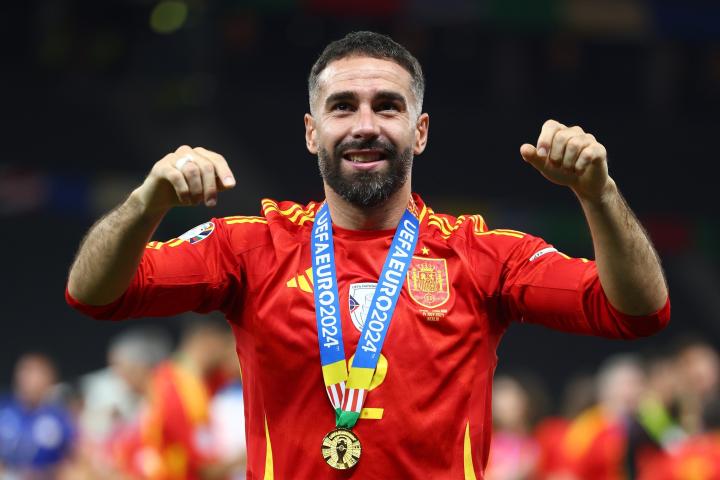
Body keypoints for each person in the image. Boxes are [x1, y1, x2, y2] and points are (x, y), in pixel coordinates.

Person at [66, 31, 670, 478]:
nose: (365, 125)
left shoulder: (482, 255)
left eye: (387, 106)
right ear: (311, 132)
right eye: (342, 106)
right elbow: (93, 293)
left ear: (420, 131)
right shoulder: (250, 247)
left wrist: (599, 195)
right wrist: (146, 202)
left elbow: (637, 311)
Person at [0, 353, 76, 478]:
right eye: (25, 371)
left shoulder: (59, 417)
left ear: (49, 380)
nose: (29, 380)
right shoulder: (4, 409)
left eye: (36, 373)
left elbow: (75, 459)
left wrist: (45, 474)